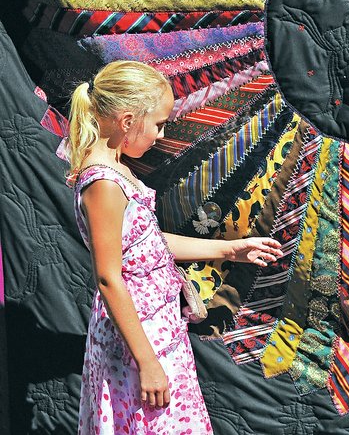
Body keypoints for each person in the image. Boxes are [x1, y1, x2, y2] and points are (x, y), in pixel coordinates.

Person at [67, 60, 282, 434]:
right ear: (128, 120)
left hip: (158, 331)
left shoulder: (118, 169)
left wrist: (231, 250)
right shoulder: (102, 182)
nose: (161, 134)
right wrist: (147, 362)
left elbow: (146, 241)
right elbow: (108, 277)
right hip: (138, 343)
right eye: (158, 123)